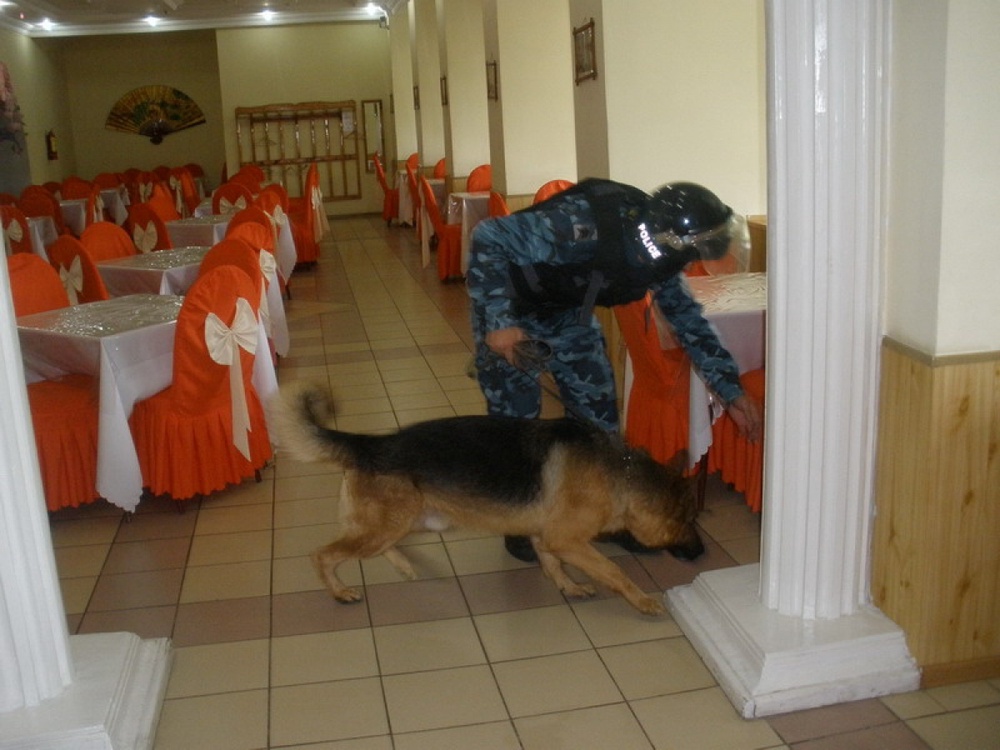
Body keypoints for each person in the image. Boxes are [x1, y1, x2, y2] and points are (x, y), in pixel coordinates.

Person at [465, 178, 763, 562]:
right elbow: (489, 236)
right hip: (511, 312)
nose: (695, 259)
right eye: (698, 248)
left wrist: (731, 389)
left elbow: (689, 322)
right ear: (672, 237)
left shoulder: (660, 255)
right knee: (518, 426)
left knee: (599, 426)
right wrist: (499, 320)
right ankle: (519, 523)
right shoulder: (581, 226)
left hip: (570, 316)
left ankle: (603, 518)